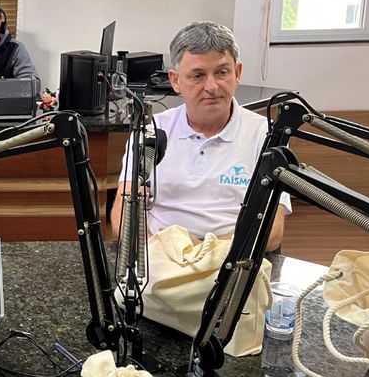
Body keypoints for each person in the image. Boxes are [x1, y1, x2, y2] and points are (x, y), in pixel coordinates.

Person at [110, 21, 291, 252]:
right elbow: (122, 217)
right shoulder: (151, 130)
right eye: (198, 75)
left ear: (237, 73)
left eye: (222, 72)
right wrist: (166, 253)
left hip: (233, 259)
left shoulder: (266, 136)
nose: (212, 86)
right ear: (175, 81)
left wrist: (205, 253)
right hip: (161, 255)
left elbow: (272, 232)